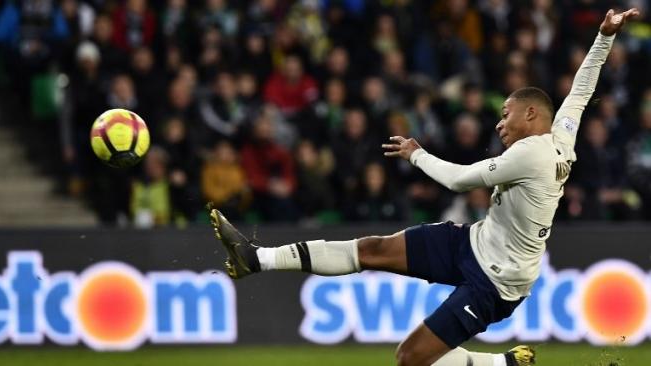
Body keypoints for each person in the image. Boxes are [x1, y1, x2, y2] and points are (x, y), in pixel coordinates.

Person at [208, 9, 638, 366]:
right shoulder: (561, 137)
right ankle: (256, 259)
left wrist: (416, 153)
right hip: (472, 243)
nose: (499, 122)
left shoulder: (530, 156)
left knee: (410, 358)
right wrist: (603, 36)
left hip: (495, 283)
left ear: (530, 115)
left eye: (506, 114)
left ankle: (496, 364)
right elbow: (581, 90)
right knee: (373, 248)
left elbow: (458, 179)